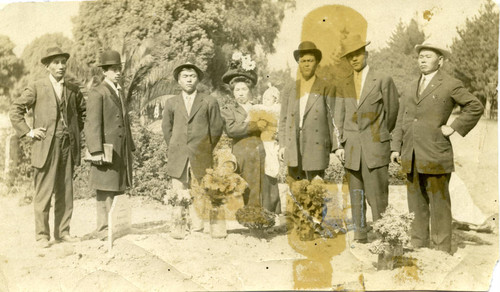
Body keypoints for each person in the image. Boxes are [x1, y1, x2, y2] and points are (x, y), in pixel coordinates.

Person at [390, 42, 484, 254]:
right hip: (411, 154)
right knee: (416, 204)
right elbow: (401, 118)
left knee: (439, 205)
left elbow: (475, 106)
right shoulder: (410, 85)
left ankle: (441, 251)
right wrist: (395, 147)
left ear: (440, 61)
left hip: (435, 153)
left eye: (428, 56)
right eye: (420, 57)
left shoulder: (450, 84)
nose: (422, 60)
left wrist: (453, 127)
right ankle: (419, 246)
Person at [9, 46, 86, 248]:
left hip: (66, 146)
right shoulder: (36, 87)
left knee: (66, 190)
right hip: (45, 146)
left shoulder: (72, 89)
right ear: (47, 66)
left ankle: (63, 232)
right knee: (43, 192)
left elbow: (81, 113)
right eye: (56, 62)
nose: (61, 66)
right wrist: (29, 132)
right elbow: (15, 109)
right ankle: (42, 235)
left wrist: (73, 133)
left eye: (63, 62)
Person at [334, 35, 400, 243]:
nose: (354, 59)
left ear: (366, 54)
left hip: (375, 147)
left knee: (378, 197)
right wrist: (339, 145)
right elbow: (339, 116)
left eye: (358, 54)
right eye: (350, 56)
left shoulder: (382, 79)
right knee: (357, 195)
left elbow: (392, 112)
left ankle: (383, 237)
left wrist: (379, 136)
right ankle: (361, 235)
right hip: (351, 149)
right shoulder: (343, 84)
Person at [162, 62, 223, 231]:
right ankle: (179, 225)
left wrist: (205, 147)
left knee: (199, 188)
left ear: (198, 80)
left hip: (201, 153)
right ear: (178, 81)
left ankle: (197, 225)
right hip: (178, 153)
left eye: (192, 76)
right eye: (185, 77)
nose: (189, 80)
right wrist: (176, 145)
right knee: (178, 190)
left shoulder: (209, 101)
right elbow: (167, 129)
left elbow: (216, 128)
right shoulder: (171, 103)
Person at [85, 50, 135, 240]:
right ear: (104, 71)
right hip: (106, 148)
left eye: (119, 68)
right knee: (105, 187)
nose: (117, 72)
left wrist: (130, 146)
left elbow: (124, 121)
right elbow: (92, 123)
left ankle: (116, 226)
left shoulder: (118, 91)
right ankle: (104, 228)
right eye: (113, 69)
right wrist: (96, 150)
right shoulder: (98, 92)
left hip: (119, 148)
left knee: (118, 185)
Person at [220, 54, 275, 208]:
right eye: (237, 90)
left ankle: (265, 216)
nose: (240, 93)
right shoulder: (228, 110)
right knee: (246, 184)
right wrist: (255, 125)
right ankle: (248, 215)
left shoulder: (259, 107)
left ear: (250, 90)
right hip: (241, 151)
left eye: (244, 89)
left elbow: (270, 125)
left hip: (261, 150)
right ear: (233, 92)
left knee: (263, 183)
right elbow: (232, 129)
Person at [278, 41, 337, 181]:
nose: (306, 64)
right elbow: (283, 120)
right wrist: (282, 145)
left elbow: (332, 119)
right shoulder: (290, 89)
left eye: (310, 60)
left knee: (315, 192)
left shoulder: (326, 87)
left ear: (316, 63)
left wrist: (335, 147)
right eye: (303, 61)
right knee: (295, 191)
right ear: (298, 63)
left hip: (316, 147)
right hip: (293, 147)